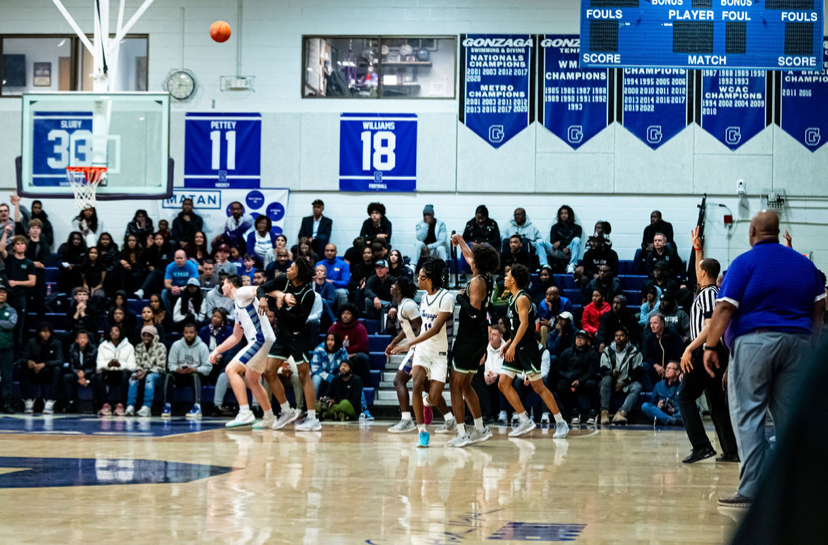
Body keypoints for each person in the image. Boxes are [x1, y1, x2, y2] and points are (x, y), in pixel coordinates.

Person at [702, 210, 825, 507]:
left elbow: (725, 309)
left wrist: (710, 346)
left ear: (753, 232)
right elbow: (820, 309)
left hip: (755, 341)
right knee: (790, 419)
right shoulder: (804, 265)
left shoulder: (744, 263)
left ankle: (753, 489)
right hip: (798, 343)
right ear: (777, 230)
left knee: (748, 415)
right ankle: (797, 488)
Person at [678, 231, 738, 464]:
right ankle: (732, 450)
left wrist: (688, 349)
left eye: (699, 269)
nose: (696, 273)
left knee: (684, 397)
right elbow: (699, 271)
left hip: (705, 352)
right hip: (714, 353)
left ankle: (702, 446)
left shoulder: (707, 297)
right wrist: (697, 251)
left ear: (704, 273)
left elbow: (709, 328)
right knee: (715, 400)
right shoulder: (709, 291)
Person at [390, 259, 458, 447]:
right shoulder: (423, 298)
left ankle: (427, 404)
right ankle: (422, 431)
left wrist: (407, 344)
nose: (417, 281)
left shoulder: (447, 298)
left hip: (440, 353)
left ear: (430, 278)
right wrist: (410, 345)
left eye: (420, 277)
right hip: (422, 350)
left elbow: (435, 329)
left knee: (434, 397)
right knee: (417, 383)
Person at [496, 263, 569, 438]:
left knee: (538, 387)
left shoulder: (522, 298)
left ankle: (561, 422)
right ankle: (524, 420)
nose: (504, 278)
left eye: (507, 275)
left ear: (513, 279)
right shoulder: (513, 297)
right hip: (516, 345)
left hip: (526, 348)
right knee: (503, 383)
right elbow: (515, 327)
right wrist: (508, 342)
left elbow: (525, 325)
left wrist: (513, 345)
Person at [446, 234, 499, 447]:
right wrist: (460, 240)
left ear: (478, 262)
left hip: (469, 338)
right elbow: (469, 256)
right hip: (477, 338)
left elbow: (475, 313)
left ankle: (462, 433)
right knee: (467, 386)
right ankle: (480, 428)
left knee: (455, 386)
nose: (470, 258)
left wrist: (460, 297)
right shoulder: (483, 275)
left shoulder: (477, 282)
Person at [256, 258, 320, 431]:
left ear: (298, 274)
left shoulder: (309, 294)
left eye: (292, 268)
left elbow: (299, 321)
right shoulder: (284, 280)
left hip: (299, 337)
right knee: (269, 372)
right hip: (283, 336)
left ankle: (313, 418)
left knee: (303, 375)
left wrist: (281, 306)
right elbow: (262, 287)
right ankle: (286, 410)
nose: (288, 269)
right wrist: (262, 299)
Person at [208, 275, 276, 428]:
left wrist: (267, 298)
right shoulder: (237, 306)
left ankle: (245, 412)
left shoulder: (241, 292)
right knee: (251, 379)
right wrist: (217, 350)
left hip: (260, 339)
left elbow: (258, 289)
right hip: (263, 339)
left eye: (223, 283)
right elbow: (236, 337)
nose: (222, 286)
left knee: (231, 369)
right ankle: (269, 417)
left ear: (230, 284)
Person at [386, 277, 448, 434]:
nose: (391, 287)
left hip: (419, 349)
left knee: (399, 380)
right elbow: (406, 328)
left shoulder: (409, 305)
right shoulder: (403, 305)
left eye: (394, 284)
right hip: (416, 348)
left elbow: (421, 327)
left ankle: (406, 420)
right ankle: (449, 418)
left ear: (399, 289)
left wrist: (417, 352)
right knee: (426, 386)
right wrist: (394, 342)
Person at [163, 322, 212, 419]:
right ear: (183, 333)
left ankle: (197, 406)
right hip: (180, 374)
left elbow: (208, 367)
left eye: (191, 332)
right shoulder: (176, 345)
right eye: (186, 332)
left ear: (196, 333)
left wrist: (195, 369)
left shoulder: (202, 346)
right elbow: (170, 364)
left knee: (194, 375)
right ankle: (167, 406)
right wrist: (177, 369)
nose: (189, 335)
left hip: (195, 375)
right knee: (169, 375)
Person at [553, 330, 600, 425]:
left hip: (585, 379)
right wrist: (568, 377)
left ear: (588, 341)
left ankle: (593, 412)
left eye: (582, 338)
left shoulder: (592, 354)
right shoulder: (567, 352)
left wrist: (580, 381)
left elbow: (592, 372)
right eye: (578, 337)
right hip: (570, 379)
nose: (579, 340)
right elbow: (558, 369)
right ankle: (573, 411)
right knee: (561, 385)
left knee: (592, 384)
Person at [599, 327, 644, 425]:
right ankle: (604, 413)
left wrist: (624, 382)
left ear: (627, 338)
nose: (618, 338)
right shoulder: (608, 350)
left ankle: (622, 413)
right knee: (605, 380)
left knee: (637, 386)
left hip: (628, 381)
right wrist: (612, 373)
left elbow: (638, 371)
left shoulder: (635, 351)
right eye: (616, 336)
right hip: (612, 381)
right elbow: (603, 369)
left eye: (621, 335)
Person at [19, 322, 62, 415]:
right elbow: (22, 359)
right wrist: (28, 362)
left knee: (57, 370)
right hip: (34, 370)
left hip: (48, 371)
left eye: (48, 331)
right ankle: (28, 400)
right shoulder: (31, 342)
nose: (46, 334)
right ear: (39, 332)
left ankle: (50, 401)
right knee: (22, 369)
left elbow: (59, 360)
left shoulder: (56, 342)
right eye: (44, 331)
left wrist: (44, 364)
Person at [2, 235, 36, 350]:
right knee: (6, 322)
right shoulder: (9, 259)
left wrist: (17, 282)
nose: (20, 246)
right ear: (14, 247)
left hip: (21, 296)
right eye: (18, 244)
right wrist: (6, 234)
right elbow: (1, 249)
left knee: (20, 325)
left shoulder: (29, 263)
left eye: (22, 243)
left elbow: (32, 282)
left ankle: (18, 351)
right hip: (8, 296)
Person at [126, 325, 167, 417]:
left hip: (157, 375)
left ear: (154, 336)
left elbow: (161, 366)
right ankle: (130, 406)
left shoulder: (161, 347)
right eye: (144, 335)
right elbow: (136, 362)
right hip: (142, 373)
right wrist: (139, 371)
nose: (146, 337)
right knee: (133, 376)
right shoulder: (138, 347)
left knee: (149, 377)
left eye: (149, 335)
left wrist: (147, 372)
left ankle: (146, 407)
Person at [95, 324, 136, 416]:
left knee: (126, 373)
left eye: (116, 330)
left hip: (122, 373)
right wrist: (108, 364)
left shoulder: (129, 346)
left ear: (120, 333)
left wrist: (120, 365)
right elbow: (99, 364)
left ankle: (121, 405)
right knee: (98, 375)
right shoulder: (103, 346)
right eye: (111, 331)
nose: (113, 332)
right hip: (108, 373)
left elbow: (132, 365)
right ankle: (105, 405)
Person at [642, 314, 683, 390]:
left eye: (655, 323)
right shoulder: (649, 338)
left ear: (662, 324)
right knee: (644, 366)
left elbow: (680, 352)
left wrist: (670, 366)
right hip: (656, 368)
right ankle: (653, 391)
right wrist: (655, 365)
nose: (652, 326)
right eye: (651, 323)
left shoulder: (672, 334)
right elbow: (645, 356)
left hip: (671, 366)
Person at [61, 330, 96, 413]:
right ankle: (71, 402)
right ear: (76, 340)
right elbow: (71, 365)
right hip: (77, 373)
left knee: (95, 377)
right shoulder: (72, 349)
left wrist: (85, 373)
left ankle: (96, 403)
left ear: (88, 340)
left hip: (89, 373)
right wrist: (78, 373)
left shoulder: (93, 350)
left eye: (85, 338)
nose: (83, 340)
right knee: (66, 378)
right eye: (80, 338)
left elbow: (95, 366)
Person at [641, 360, 682, 425]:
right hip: (662, 413)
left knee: (695, 407)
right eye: (666, 368)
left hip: (676, 412)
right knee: (645, 406)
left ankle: (669, 419)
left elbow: (686, 403)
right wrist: (658, 406)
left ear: (677, 372)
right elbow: (653, 403)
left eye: (670, 368)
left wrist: (674, 409)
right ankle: (671, 420)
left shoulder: (682, 385)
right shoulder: (658, 385)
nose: (667, 370)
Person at [310, 332, 349, 398]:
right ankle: (313, 406)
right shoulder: (319, 350)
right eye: (328, 340)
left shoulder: (342, 350)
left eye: (332, 340)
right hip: (321, 375)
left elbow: (346, 366)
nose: (329, 343)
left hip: (336, 375)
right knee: (316, 379)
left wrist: (336, 377)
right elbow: (315, 369)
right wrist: (329, 377)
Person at [547, 205, 583, 274]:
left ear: (570, 215)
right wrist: (562, 247)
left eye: (566, 213)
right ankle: (544, 265)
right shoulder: (555, 227)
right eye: (562, 213)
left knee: (576, 240)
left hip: (570, 251)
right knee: (540, 243)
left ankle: (572, 265)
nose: (563, 215)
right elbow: (553, 242)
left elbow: (575, 241)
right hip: (558, 251)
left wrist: (561, 242)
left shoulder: (577, 228)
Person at [317, 244, 350, 309]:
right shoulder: (319, 264)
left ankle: (342, 314)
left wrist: (332, 282)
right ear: (324, 252)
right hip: (323, 289)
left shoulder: (343, 264)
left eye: (332, 251)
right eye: (327, 251)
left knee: (342, 293)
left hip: (336, 289)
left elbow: (346, 283)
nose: (329, 253)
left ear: (336, 252)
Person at [0, 284, 16, 414]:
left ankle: (7, 403)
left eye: (4, 293)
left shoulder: (11, 310)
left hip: (5, 349)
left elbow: (11, 324)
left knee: (7, 377)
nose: (1, 295)